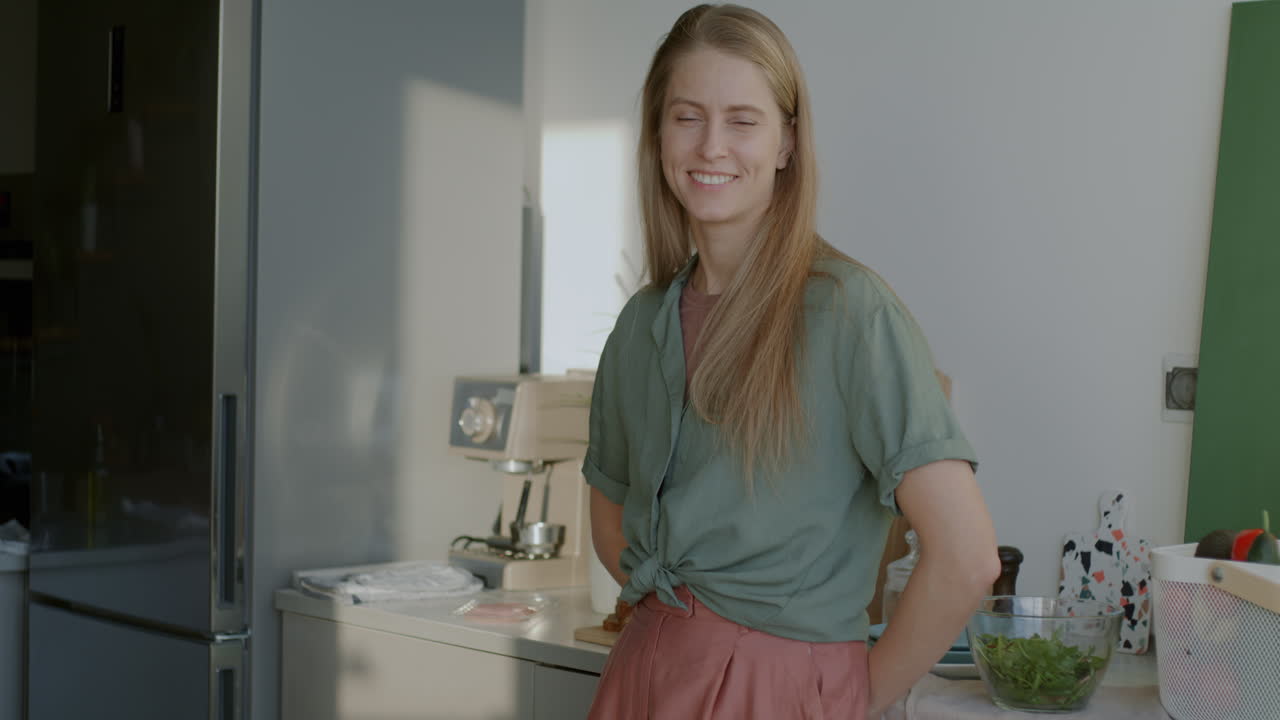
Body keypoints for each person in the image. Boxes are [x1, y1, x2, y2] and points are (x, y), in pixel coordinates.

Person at [582, 5, 1000, 718]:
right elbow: (610, 517)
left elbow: (966, 558)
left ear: (786, 143)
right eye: (687, 117)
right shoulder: (641, 324)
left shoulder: (850, 313)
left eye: (743, 120)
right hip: (642, 675)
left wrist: (849, 696)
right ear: (658, 135)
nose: (712, 145)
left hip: (778, 691)